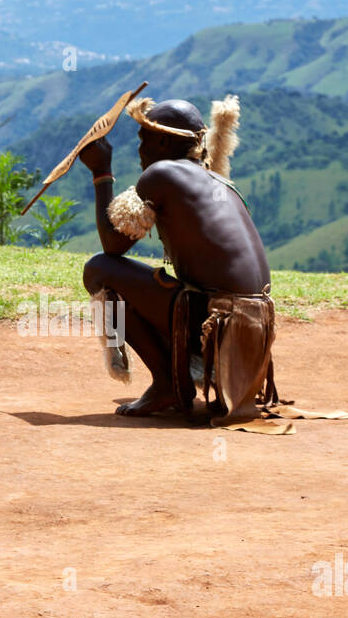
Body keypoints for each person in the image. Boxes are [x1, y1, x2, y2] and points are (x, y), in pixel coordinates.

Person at [79, 94, 283, 430]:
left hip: (220, 325)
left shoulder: (161, 174)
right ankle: (178, 378)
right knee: (131, 280)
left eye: (143, 139)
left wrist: (102, 172)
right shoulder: (218, 181)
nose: (140, 149)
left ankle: (169, 385)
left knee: (100, 270)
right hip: (253, 333)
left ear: (162, 141)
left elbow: (112, 246)